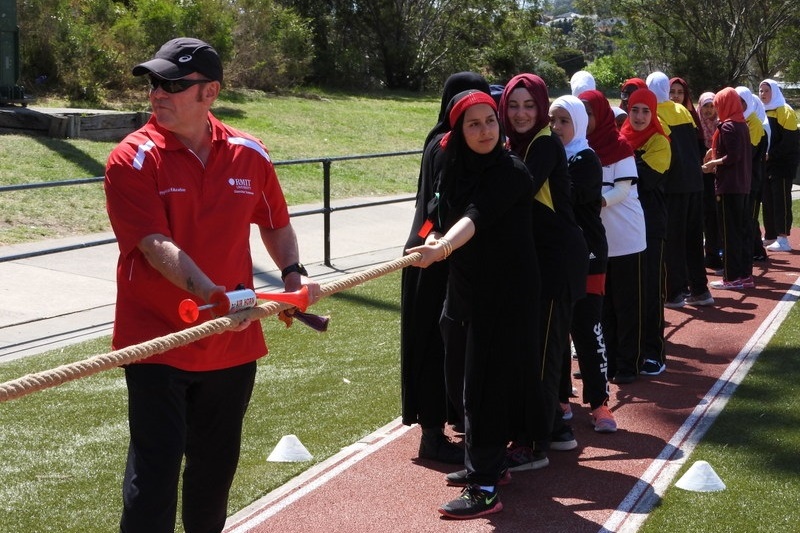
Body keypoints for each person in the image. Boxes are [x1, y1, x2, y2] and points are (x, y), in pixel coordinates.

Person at [104, 37, 321, 533]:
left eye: (174, 84)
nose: (158, 93)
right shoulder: (130, 159)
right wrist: (211, 293)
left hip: (233, 340)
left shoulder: (249, 152)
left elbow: (274, 222)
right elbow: (154, 243)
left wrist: (293, 275)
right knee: (155, 474)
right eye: (155, 82)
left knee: (215, 469)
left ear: (210, 93)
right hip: (158, 337)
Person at [408, 89, 539, 519]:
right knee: (462, 382)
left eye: (490, 121)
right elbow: (439, 210)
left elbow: (474, 218)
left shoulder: (512, 171)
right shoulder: (452, 164)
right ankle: (487, 464)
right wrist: (431, 236)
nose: (485, 131)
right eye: (473, 123)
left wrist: (442, 247)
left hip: (503, 295)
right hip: (465, 290)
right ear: (458, 129)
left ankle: (485, 487)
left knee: (483, 386)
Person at [401, 72, 491, 464]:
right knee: (435, 346)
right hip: (433, 256)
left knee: (440, 345)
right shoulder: (446, 145)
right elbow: (439, 208)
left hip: (431, 250)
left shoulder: (437, 139)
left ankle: (443, 425)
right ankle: (432, 435)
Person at [500, 73, 588, 461]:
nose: (521, 113)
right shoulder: (516, 144)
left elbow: (516, 193)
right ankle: (554, 426)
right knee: (539, 351)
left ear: (541, 108)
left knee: (542, 355)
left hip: (555, 265)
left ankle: (533, 444)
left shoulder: (544, 144)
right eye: (514, 105)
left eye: (529, 105)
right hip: (539, 264)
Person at [549, 94, 616, 433]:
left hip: (588, 256)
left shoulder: (586, 159)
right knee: (556, 332)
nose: (556, 127)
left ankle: (600, 404)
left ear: (577, 122)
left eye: (564, 120)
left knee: (588, 332)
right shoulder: (547, 156)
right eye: (553, 120)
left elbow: (567, 200)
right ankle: (561, 399)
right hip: (555, 257)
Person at [580, 89, 647, 383]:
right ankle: (600, 363)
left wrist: (591, 201)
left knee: (626, 305)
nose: (585, 119)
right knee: (599, 306)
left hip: (626, 237)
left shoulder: (620, 146)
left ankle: (627, 365)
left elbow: (621, 190)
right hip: (596, 239)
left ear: (602, 114)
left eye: (590, 112)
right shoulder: (577, 146)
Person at [619, 89, 677, 381]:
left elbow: (639, 182)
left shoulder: (660, 142)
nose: (640, 117)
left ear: (653, 113)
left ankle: (654, 352)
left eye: (645, 111)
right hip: (623, 227)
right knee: (626, 292)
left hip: (651, 227)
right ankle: (626, 352)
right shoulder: (621, 138)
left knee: (651, 290)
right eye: (634, 110)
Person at [646, 71, 708, 310]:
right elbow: (697, 140)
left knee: (672, 239)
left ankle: (674, 293)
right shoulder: (682, 110)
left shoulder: (656, 114)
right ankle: (700, 290)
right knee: (693, 238)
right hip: (694, 182)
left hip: (673, 187)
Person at [703, 87, 753, 289]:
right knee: (740, 231)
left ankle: (731, 277)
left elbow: (733, 156)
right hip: (742, 185)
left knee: (729, 233)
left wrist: (713, 164)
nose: (716, 109)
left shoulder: (728, 126)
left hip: (729, 186)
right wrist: (713, 151)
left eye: (718, 105)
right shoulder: (741, 124)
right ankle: (745, 275)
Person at [759, 79, 799, 252]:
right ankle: (770, 236)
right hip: (766, 163)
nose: (763, 94)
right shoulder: (761, 111)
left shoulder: (785, 110)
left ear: (774, 91)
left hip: (782, 164)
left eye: (766, 90)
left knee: (781, 200)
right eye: (760, 90)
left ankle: (783, 239)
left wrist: (771, 154)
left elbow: (790, 140)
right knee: (767, 199)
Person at [697, 91, 723, 269]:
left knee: (715, 215)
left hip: (718, 176)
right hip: (699, 177)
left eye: (712, 106)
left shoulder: (721, 126)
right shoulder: (695, 126)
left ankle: (714, 253)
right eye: (705, 106)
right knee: (701, 215)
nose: (708, 110)